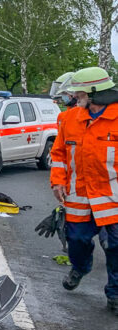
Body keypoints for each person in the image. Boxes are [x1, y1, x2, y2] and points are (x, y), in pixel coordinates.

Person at [49, 66, 118, 316]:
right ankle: (80, 267)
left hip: (113, 199)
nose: (74, 98)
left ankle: (115, 294)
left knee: (115, 249)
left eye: (78, 94)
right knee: (76, 241)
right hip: (79, 197)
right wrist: (57, 181)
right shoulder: (69, 119)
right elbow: (58, 154)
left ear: (94, 93)